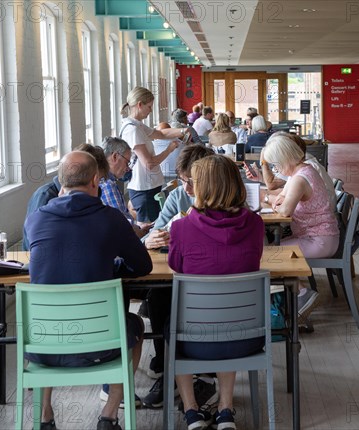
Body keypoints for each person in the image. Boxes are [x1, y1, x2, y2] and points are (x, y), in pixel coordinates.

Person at [23, 151, 153, 430]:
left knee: (49, 323)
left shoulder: (36, 219)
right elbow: (143, 266)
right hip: (102, 344)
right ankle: (109, 414)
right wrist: (112, 267)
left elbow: (35, 259)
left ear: (60, 183)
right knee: (135, 324)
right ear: (96, 180)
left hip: (42, 344)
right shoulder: (110, 219)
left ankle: (45, 416)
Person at [168, 155, 265, 430]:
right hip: (248, 336)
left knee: (169, 321)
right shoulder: (256, 225)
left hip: (193, 340)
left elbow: (177, 266)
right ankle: (225, 409)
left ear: (201, 188)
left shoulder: (181, 227)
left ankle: (191, 410)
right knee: (230, 313)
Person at [138, 145, 217, 411]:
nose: (186, 189)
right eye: (182, 181)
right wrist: (152, 239)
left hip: (215, 285)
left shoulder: (229, 198)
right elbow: (156, 230)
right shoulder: (177, 197)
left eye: (191, 182)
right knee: (157, 296)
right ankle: (168, 368)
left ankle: (207, 372)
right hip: (184, 275)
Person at [262, 134, 340, 320]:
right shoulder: (303, 172)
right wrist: (276, 202)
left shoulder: (300, 179)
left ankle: (302, 293)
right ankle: (293, 295)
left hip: (319, 240)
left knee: (266, 256)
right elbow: (280, 200)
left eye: (277, 164)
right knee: (268, 250)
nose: (276, 169)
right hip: (318, 236)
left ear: (285, 158)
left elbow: (285, 211)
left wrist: (272, 201)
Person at [22, 144, 109, 250]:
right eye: (97, 179)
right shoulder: (45, 196)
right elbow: (33, 241)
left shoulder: (93, 194)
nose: (96, 185)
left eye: (100, 180)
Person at [120, 87, 187, 224]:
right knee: (148, 228)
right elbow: (149, 163)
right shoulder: (132, 130)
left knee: (155, 224)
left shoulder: (138, 125)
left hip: (150, 185)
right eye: (149, 106)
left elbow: (161, 134)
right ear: (139, 104)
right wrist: (169, 149)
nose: (151, 111)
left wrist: (183, 130)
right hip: (143, 187)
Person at [99, 136, 147, 238]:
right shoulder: (108, 186)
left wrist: (138, 227)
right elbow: (123, 227)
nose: (127, 168)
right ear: (115, 156)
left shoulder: (108, 182)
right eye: (127, 162)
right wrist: (141, 233)